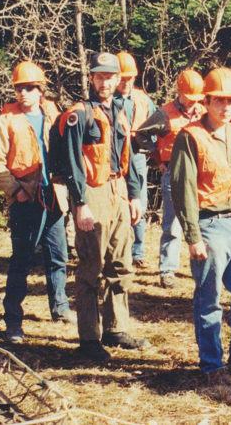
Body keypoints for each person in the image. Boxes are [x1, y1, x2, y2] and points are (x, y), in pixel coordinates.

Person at [170, 67, 231, 383]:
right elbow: (183, 189)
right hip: (210, 228)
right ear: (206, 101)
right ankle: (212, 365)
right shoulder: (190, 137)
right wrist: (193, 235)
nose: (226, 107)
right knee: (209, 298)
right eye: (219, 100)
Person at [60, 52, 150, 362]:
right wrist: (80, 205)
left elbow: (132, 158)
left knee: (121, 262)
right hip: (92, 192)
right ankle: (89, 340)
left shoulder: (121, 112)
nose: (104, 82)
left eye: (109, 77)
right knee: (90, 267)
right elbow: (72, 163)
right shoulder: (79, 114)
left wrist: (135, 195)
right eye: (99, 76)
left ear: (117, 80)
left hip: (119, 189)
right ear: (91, 78)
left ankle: (116, 328)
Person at [0, 60, 76, 344]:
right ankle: (13, 321)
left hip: (54, 195)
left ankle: (60, 308)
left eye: (29, 87)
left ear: (40, 89)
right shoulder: (6, 120)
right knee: (21, 261)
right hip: (24, 198)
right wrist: (15, 190)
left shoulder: (53, 114)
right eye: (19, 88)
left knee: (58, 255)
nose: (23, 92)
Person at [134, 69, 206, 289]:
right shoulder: (164, 113)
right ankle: (167, 271)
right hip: (173, 174)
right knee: (172, 225)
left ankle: (203, 269)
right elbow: (141, 134)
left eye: (197, 98)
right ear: (179, 92)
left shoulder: (203, 112)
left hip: (200, 175)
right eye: (189, 97)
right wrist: (158, 157)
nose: (193, 102)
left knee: (203, 223)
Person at [114, 51, 156, 269]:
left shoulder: (142, 99)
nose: (126, 83)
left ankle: (137, 251)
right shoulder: (106, 100)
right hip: (113, 157)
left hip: (137, 156)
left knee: (139, 202)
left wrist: (152, 146)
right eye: (122, 78)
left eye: (129, 78)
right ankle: (116, 250)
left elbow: (158, 126)